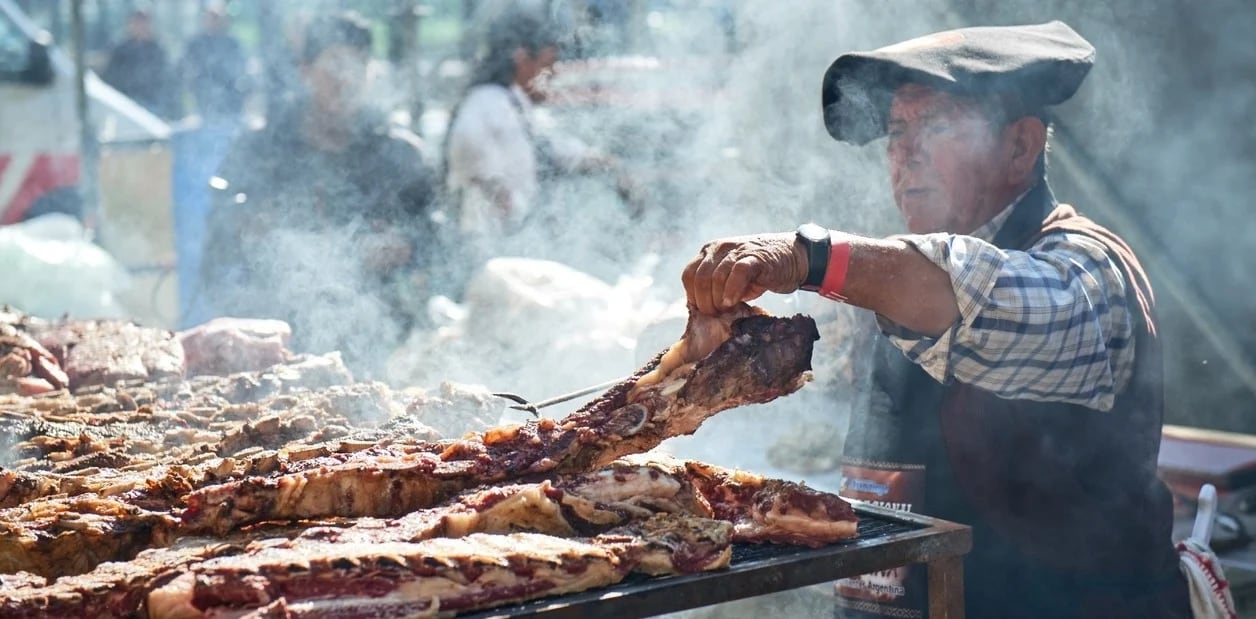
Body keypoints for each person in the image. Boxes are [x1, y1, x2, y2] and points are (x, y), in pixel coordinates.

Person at [680, 22, 1192, 619]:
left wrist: (809, 256)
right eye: (897, 131)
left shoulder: (1086, 268)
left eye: (937, 125)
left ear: (1021, 146)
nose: (904, 152)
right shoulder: (899, 274)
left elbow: (982, 294)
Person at [193, 12, 438, 379]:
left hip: (384, 348)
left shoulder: (401, 155)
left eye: (358, 63)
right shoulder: (260, 150)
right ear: (305, 69)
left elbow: (438, 243)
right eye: (335, 62)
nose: (346, 76)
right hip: (276, 349)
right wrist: (252, 232)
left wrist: (405, 246)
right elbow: (217, 248)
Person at [443, 4, 641, 272]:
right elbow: (468, 147)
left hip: (512, 245)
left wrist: (608, 164)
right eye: (548, 65)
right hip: (485, 249)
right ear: (522, 59)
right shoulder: (486, 102)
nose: (553, 75)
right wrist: (497, 191)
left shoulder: (516, 105)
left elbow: (553, 146)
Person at [177, 2, 249, 123]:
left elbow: (240, 70)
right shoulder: (196, 44)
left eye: (218, 18)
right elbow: (184, 68)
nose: (215, 22)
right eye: (212, 18)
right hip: (203, 99)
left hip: (231, 102)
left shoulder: (232, 44)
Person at [102, 10, 175, 119]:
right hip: (125, 103)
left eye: (142, 23)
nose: (139, 27)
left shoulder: (157, 50)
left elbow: (166, 79)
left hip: (152, 103)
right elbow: (111, 77)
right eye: (135, 23)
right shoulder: (120, 50)